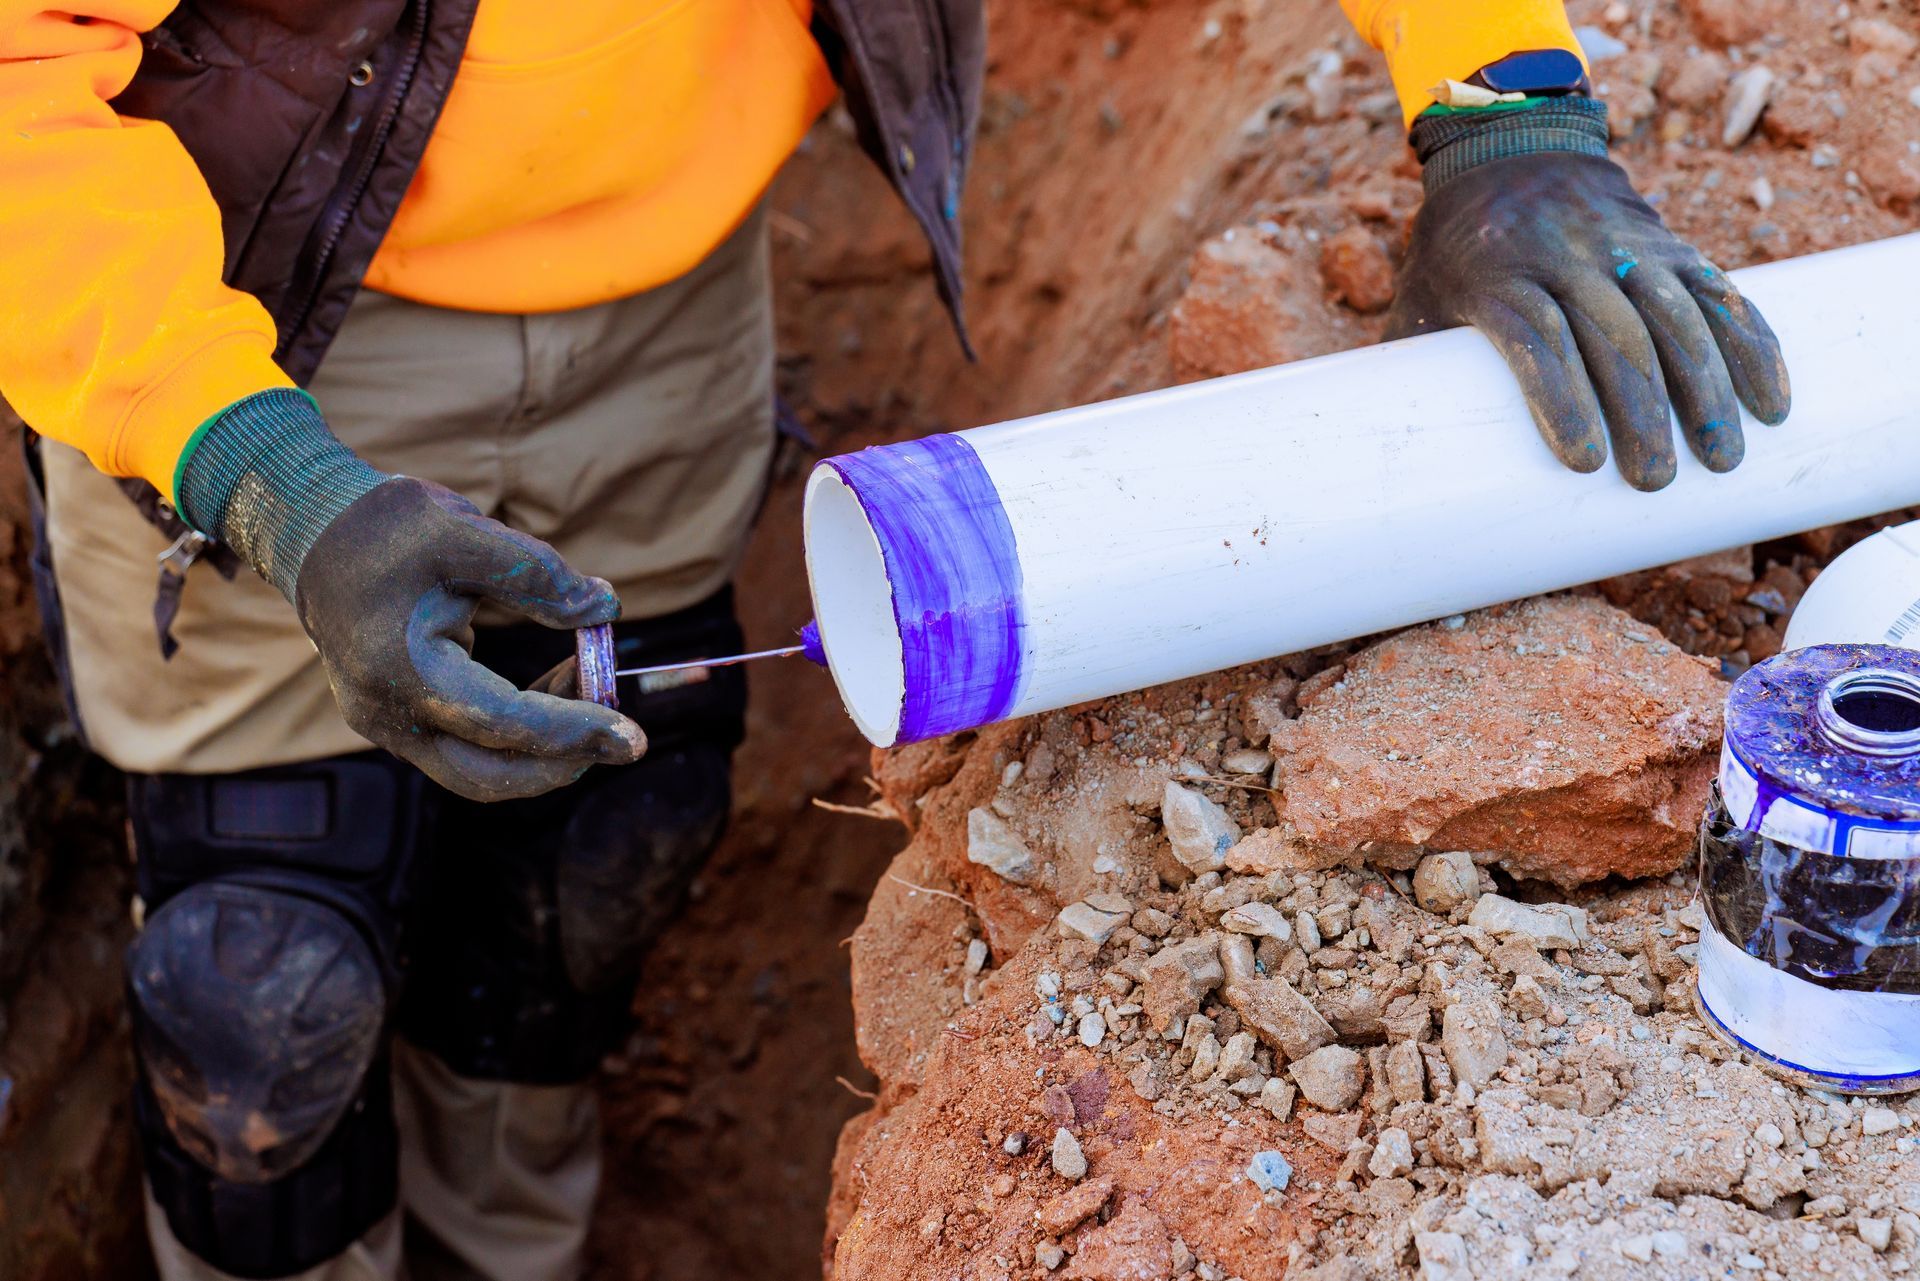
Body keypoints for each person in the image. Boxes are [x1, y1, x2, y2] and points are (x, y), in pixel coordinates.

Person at [0, 1, 1788, 1278]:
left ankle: (514, 1239)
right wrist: (272, 483)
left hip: (666, 294)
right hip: (241, 316)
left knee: (591, 863)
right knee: (258, 988)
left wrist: (1502, 108)